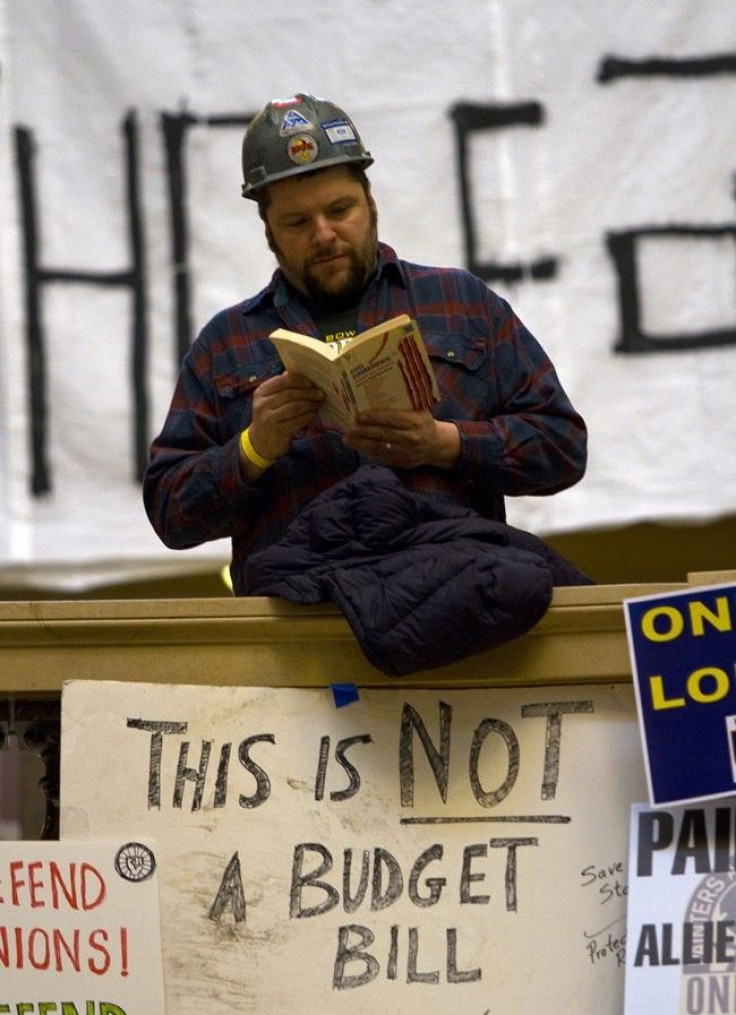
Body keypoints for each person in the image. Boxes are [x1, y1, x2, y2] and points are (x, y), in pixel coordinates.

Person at [143, 93, 587, 595]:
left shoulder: (462, 302)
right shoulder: (224, 342)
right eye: (297, 222)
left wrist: (445, 443)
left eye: (340, 209)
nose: (325, 233)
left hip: (452, 613)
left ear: (371, 202)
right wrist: (254, 448)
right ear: (268, 231)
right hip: (296, 633)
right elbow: (169, 514)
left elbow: (562, 447)